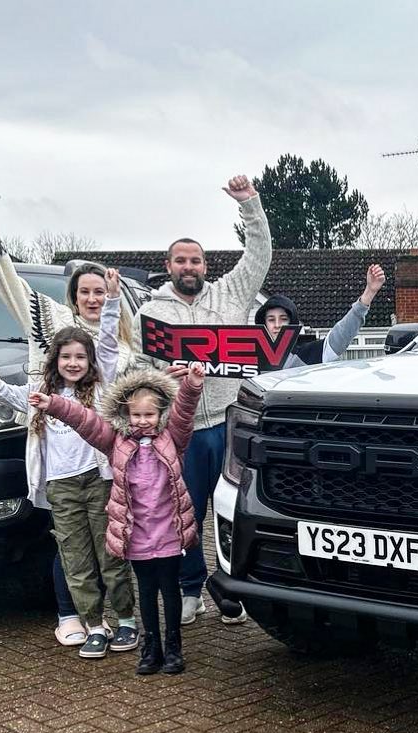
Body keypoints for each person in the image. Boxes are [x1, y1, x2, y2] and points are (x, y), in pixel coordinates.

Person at [0, 191, 138, 646]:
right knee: (71, 550)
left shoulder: (118, 350)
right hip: (58, 472)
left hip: (102, 471)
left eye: (101, 291)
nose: (94, 297)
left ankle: (124, 620)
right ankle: (84, 620)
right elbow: (6, 281)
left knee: (110, 549)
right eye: (86, 291)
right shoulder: (48, 328)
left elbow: (117, 361)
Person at [135, 174, 272, 627]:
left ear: (205, 265)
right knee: (186, 511)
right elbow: (136, 370)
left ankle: (234, 590)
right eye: (181, 260)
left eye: (195, 260)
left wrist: (250, 204)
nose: (188, 267)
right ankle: (191, 588)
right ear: (168, 265)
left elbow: (259, 256)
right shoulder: (151, 313)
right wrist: (161, 377)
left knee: (239, 508)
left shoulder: (231, 293)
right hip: (183, 428)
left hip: (231, 422)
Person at [31, 362, 205, 676]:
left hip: (168, 532)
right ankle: (151, 647)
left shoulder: (173, 438)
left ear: (160, 413)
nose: (142, 421)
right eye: (136, 415)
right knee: (147, 591)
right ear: (125, 415)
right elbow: (84, 420)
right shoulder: (116, 442)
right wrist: (53, 404)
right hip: (136, 533)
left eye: (149, 415)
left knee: (169, 588)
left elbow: (185, 411)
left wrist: (191, 385)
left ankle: (174, 647)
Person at [255, 263, 386, 366]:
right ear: (263, 324)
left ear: (292, 323)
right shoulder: (248, 360)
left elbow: (339, 337)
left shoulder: (307, 355)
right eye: (271, 319)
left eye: (283, 319)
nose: (277, 325)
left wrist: (369, 293)